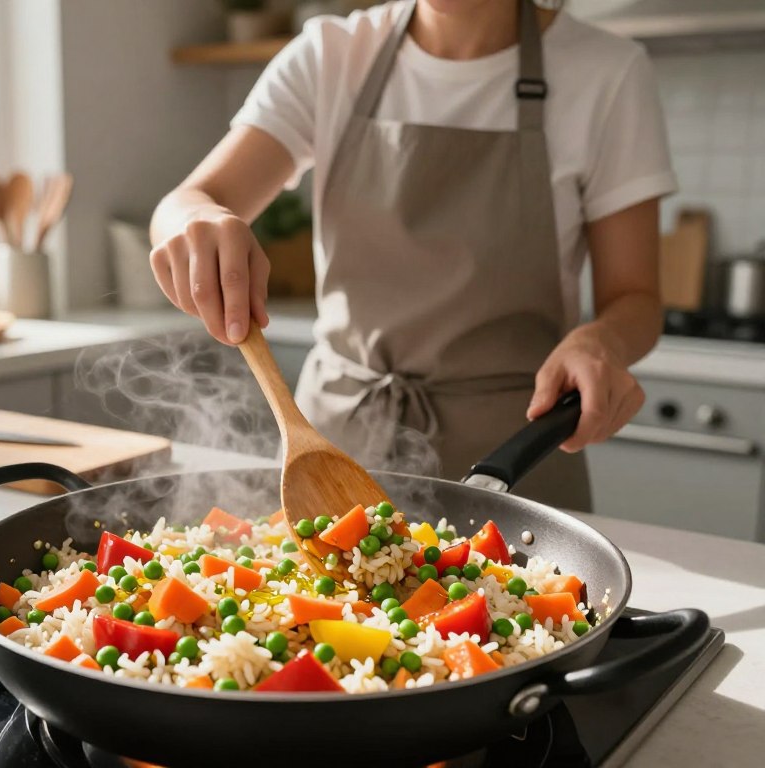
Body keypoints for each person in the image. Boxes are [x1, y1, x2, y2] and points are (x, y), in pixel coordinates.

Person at [149, 0, 677, 511]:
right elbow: (187, 202)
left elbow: (635, 298)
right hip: (335, 451)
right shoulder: (330, 55)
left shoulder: (608, 73)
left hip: (516, 461)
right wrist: (195, 220)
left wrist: (600, 340)